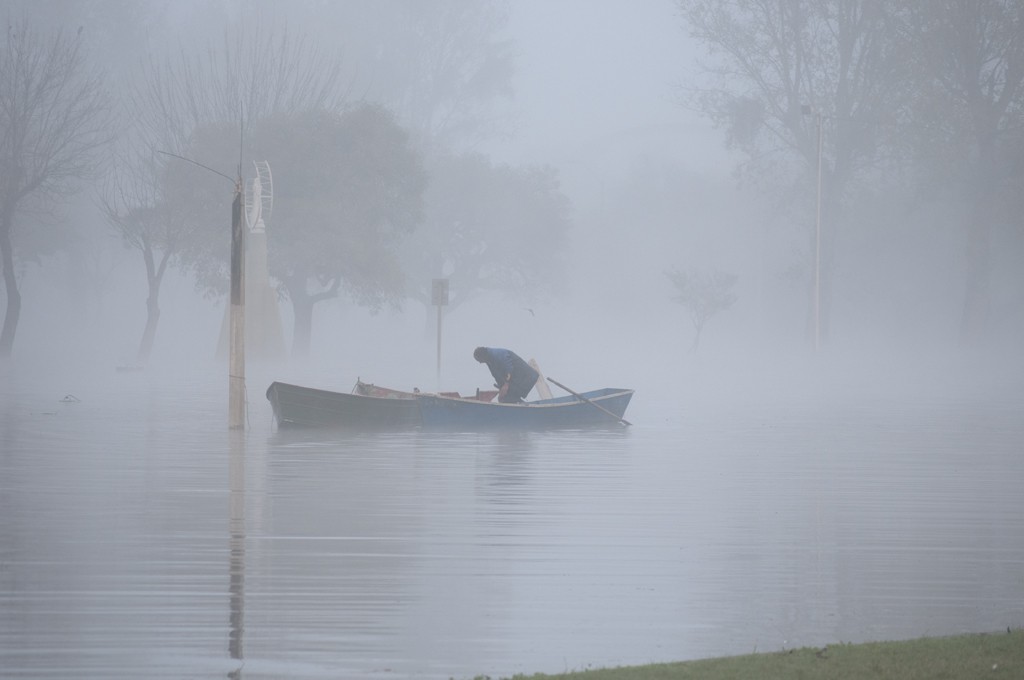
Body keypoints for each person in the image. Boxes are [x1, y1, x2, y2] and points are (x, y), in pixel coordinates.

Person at [473, 347, 539, 403]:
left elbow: (509, 367)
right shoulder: (489, 361)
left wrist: (506, 385)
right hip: (517, 379)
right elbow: (497, 376)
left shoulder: (497, 354)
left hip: (526, 377)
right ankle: (523, 409)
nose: (480, 362)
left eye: (479, 360)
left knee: (509, 397)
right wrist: (501, 388)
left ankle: (525, 410)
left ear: (483, 356)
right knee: (505, 398)